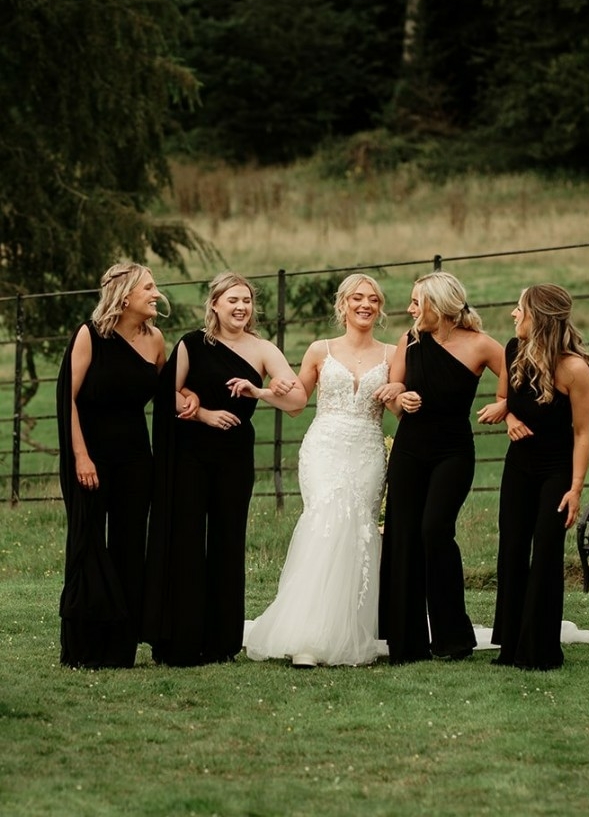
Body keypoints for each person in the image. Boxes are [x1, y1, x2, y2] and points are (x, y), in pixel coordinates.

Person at [142, 271, 306, 667]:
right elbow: (167, 393)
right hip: (190, 453)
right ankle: (181, 641)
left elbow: (297, 400)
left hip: (234, 454)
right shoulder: (191, 344)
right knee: (187, 540)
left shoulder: (263, 349)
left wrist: (260, 391)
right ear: (214, 304)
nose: (241, 307)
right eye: (233, 300)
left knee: (228, 540)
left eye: (246, 300)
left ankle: (221, 642)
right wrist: (204, 414)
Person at [244, 273, 401, 667]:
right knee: (325, 522)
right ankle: (306, 637)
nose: (365, 305)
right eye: (357, 298)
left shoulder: (392, 353)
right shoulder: (320, 349)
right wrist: (263, 392)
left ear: (380, 308)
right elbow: (297, 402)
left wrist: (400, 393)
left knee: (359, 531)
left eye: (373, 300)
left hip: (367, 449)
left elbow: (398, 408)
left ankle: (346, 632)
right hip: (324, 447)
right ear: (343, 304)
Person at [379, 271, 504, 664]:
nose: (410, 309)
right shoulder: (410, 340)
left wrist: (505, 404)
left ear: (438, 304)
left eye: (417, 302)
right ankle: (407, 642)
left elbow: (518, 375)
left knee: (435, 530)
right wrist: (401, 398)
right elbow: (393, 394)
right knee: (403, 536)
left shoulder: (481, 345)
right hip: (410, 450)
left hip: (453, 452)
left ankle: (453, 637)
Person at [477, 283, 589, 670]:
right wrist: (509, 417)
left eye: (520, 308)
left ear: (539, 317)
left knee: (546, 553)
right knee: (512, 550)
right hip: (519, 466)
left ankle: (541, 651)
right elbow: (505, 399)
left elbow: (582, 434)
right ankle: (511, 646)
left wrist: (576, 489)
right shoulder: (512, 350)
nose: (514, 314)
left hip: (556, 471)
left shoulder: (574, 369)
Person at [57, 262, 170, 668]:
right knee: (87, 543)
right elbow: (67, 398)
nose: (156, 294)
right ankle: (83, 645)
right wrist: (81, 456)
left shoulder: (156, 340)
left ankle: (120, 648)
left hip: (136, 459)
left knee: (129, 546)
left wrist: (192, 399)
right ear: (125, 297)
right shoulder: (90, 335)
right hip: (90, 455)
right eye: (148, 288)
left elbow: (168, 393)